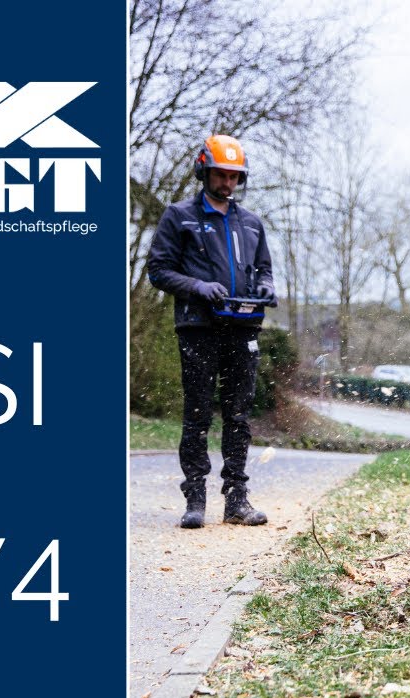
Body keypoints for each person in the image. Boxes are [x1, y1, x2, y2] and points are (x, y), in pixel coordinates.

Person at [146, 134, 275, 529]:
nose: (227, 183)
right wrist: (197, 287)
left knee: (239, 415)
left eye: (234, 176)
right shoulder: (179, 216)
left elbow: (264, 268)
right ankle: (195, 498)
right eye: (221, 174)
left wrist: (266, 287)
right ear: (205, 171)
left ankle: (236, 498)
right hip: (198, 327)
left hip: (242, 327)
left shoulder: (251, 223)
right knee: (197, 412)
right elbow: (158, 270)